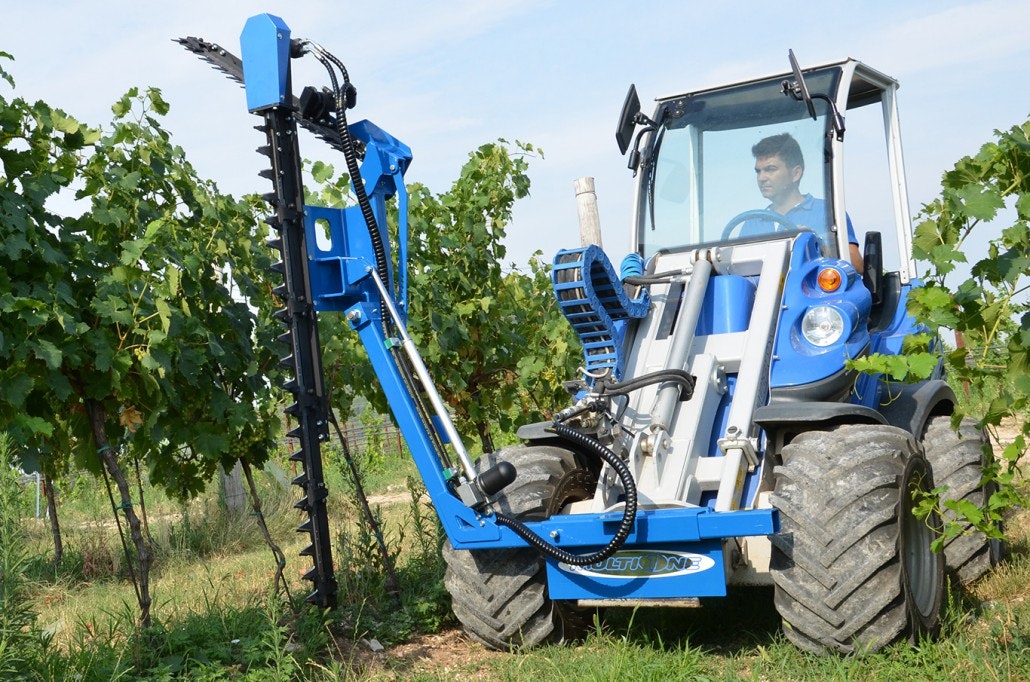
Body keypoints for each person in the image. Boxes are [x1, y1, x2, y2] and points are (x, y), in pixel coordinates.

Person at [747, 133, 863, 272]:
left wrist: (818, 246)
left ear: (796, 173)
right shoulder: (752, 223)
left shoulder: (828, 213)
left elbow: (857, 265)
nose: (761, 178)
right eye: (758, 172)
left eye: (770, 169)